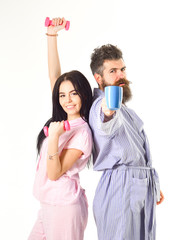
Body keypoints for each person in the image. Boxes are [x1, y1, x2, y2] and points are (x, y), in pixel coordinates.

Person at [89, 44, 164, 239]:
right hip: (119, 189)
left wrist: (151, 184)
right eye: (112, 71)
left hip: (136, 187)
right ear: (99, 78)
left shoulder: (125, 109)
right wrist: (108, 110)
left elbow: (135, 150)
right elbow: (105, 121)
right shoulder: (101, 104)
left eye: (122, 69)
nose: (120, 75)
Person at [28, 18, 93, 240]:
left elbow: (55, 173)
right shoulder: (62, 119)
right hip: (48, 204)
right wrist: (51, 35)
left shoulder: (82, 131)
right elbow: (55, 77)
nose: (68, 100)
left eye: (74, 93)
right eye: (62, 95)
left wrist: (54, 136)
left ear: (84, 94)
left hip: (65, 207)